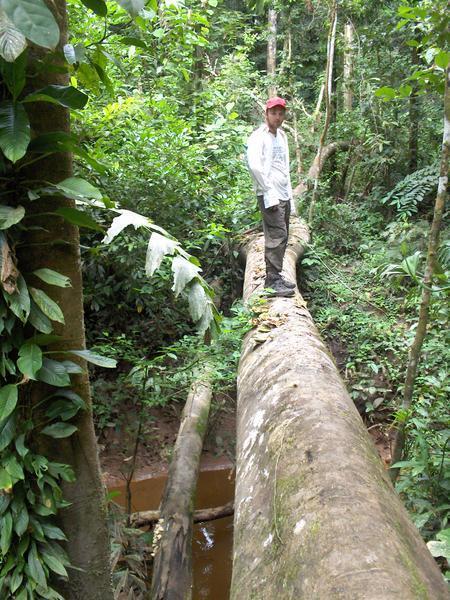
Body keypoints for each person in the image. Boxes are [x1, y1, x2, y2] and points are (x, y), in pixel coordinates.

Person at [247, 96, 296, 297]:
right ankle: (271, 281)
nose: (277, 117)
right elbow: (255, 166)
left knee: (283, 235)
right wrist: (268, 192)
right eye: (273, 113)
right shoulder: (259, 136)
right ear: (266, 114)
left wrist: (290, 198)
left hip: (283, 192)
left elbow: (285, 169)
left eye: (280, 113)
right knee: (277, 235)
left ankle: (276, 275)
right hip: (270, 194)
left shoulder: (282, 137)